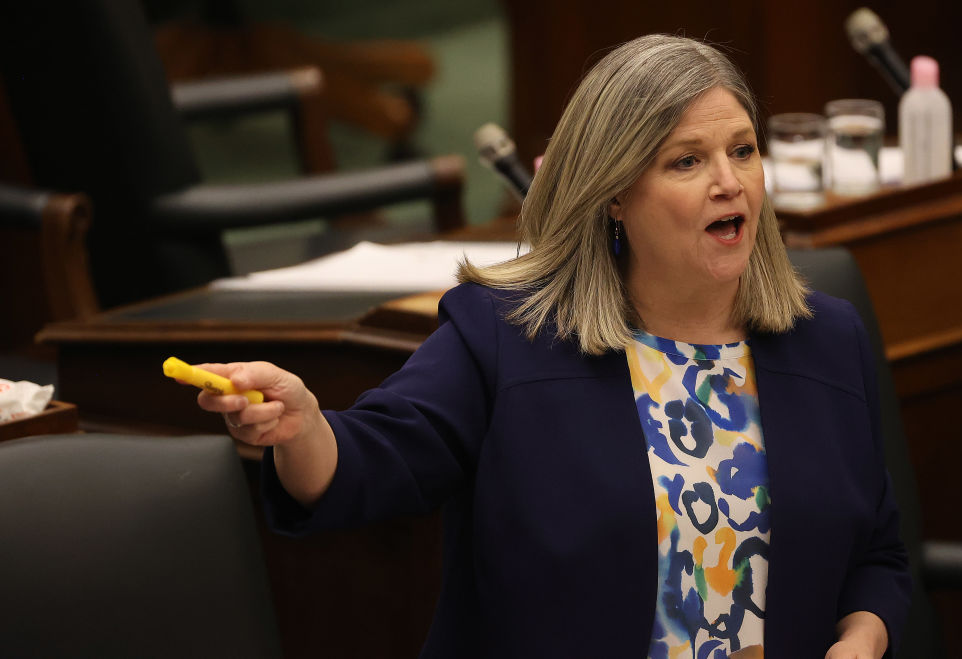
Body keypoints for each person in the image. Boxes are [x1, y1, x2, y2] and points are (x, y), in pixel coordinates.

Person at [185, 34, 911, 659]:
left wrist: (862, 635)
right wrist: (304, 425)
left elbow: (877, 554)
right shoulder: (508, 340)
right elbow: (368, 464)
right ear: (614, 194)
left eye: (742, 150)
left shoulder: (824, 339)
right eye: (686, 161)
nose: (730, 182)